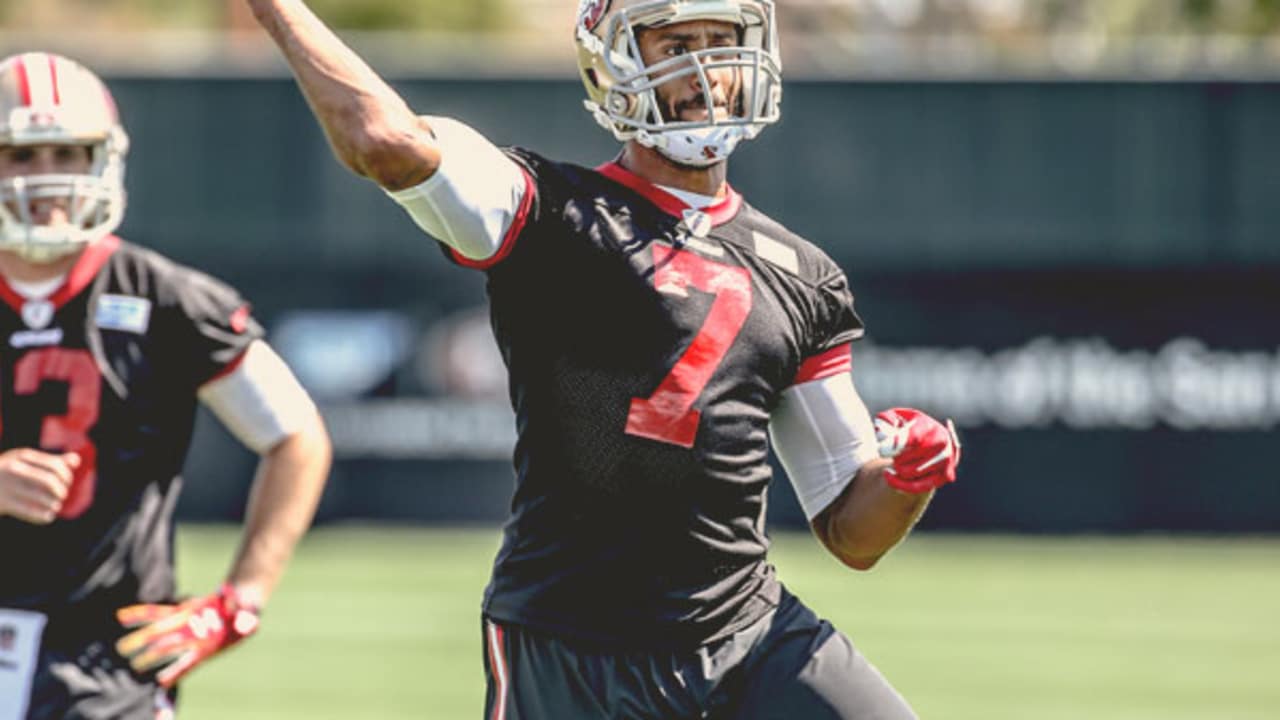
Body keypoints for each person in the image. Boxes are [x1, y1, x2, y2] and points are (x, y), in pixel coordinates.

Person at [249, 1, 962, 717]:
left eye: (721, 41)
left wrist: (909, 476)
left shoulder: (803, 273)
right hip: (575, 645)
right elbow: (381, 138)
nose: (707, 66)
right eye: (676, 43)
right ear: (613, 65)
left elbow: (852, 529)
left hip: (748, 631)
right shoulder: (552, 211)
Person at [0, 52, 331, 720]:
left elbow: (296, 437)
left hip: (104, 657)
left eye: (67, 152)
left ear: (103, 160)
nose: (45, 178)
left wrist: (239, 602)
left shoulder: (168, 300)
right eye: (20, 155)